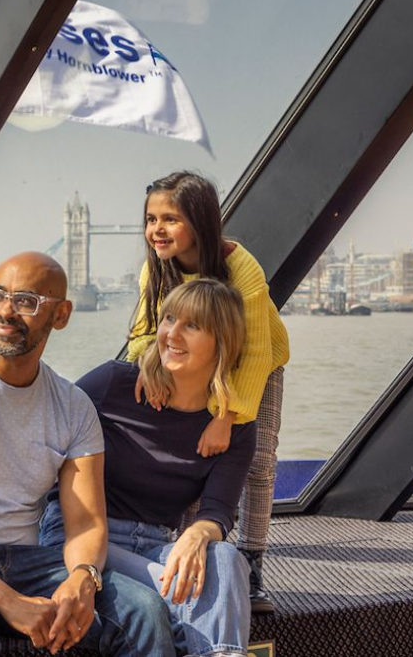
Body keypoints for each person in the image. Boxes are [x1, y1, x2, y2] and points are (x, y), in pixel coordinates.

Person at [0, 251, 176, 657]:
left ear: (60, 315)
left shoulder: (73, 406)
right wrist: (8, 601)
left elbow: (85, 523)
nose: (5, 311)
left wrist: (83, 576)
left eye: (25, 301)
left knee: (143, 610)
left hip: (29, 561)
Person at [41, 279, 256, 657]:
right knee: (184, 594)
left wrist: (195, 536)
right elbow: (42, 427)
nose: (172, 333)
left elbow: (217, 512)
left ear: (222, 342)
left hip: (156, 543)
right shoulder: (114, 383)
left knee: (225, 558)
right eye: (169, 319)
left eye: (191, 325)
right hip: (82, 536)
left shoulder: (233, 426)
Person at [127, 172, 290, 613]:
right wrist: (148, 365)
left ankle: (252, 562)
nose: (156, 230)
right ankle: (183, 555)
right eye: (150, 219)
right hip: (192, 362)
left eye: (170, 219)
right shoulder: (155, 269)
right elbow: (144, 331)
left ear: (199, 220)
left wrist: (228, 416)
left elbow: (255, 352)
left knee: (257, 461)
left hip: (256, 366)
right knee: (195, 456)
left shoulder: (240, 265)